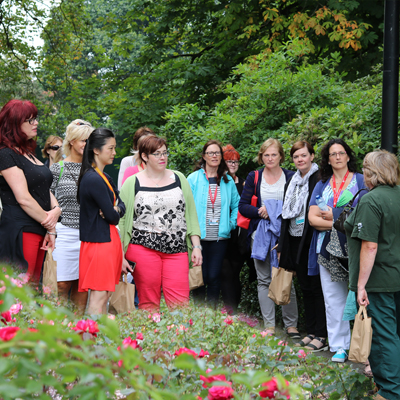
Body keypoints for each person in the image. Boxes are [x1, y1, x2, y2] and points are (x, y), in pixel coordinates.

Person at [119, 135, 202, 311]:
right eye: (157, 154)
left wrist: (196, 246)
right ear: (144, 156)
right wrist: (120, 256)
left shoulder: (179, 178)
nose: (163, 157)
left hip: (177, 250)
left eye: (165, 153)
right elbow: (122, 221)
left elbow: (191, 215)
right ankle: (148, 338)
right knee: (148, 302)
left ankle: (180, 337)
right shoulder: (132, 182)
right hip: (143, 249)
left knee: (180, 304)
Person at [345, 150, 400, 400]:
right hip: (396, 277)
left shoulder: (371, 200)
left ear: (371, 173)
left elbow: (370, 245)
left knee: (383, 339)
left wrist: (361, 285)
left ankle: (389, 392)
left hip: (379, 281)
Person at [308, 138, 367, 362]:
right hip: (326, 248)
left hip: (357, 247)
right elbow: (312, 218)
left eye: (341, 153)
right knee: (333, 299)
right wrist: (339, 220)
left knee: (362, 295)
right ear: (328, 159)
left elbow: (365, 215)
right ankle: (340, 346)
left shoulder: (361, 181)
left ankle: (363, 346)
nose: (338, 157)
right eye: (333, 154)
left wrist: (332, 214)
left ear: (348, 156)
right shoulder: (322, 184)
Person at [239, 138, 298, 336]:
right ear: (261, 157)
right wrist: (260, 212)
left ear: (281, 156)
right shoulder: (254, 176)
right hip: (261, 234)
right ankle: (269, 326)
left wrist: (274, 209)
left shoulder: (291, 176)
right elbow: (243, 206)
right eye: (266, 155)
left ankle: (291, 325)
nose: (270, 158)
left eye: (274, 154)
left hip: (285, 234)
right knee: (264, 280)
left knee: (285, 276)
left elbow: (298, 205)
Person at [0, 99, 61, 283]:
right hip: (21, 230)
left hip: (38, 228)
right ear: (14, 124)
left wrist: (57, 210)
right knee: (21, 291)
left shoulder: (27, 153)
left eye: (35, 119)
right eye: (30, 120)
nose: (36, 124)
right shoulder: (5, 154)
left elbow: (43, 187)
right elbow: (24, 198)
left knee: (34, 290)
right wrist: (49, 224)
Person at [277, 141, 327, 349]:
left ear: (312, 156)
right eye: (296, 157)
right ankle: (312, 331)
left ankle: (322, 335)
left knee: (317, 287)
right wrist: (282, 245)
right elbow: (285, 215)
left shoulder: (320, 178)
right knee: (305, 287)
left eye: (304, 155)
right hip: (294, 238)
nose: (300, 160)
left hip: (312, 238)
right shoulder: (292, 180)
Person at [77, 128, 126, 315]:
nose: (114, 153)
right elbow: (113, 216)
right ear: (96, 150)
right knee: (98, 299)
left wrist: (116, 209)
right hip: (99, 243)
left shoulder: (105, 177)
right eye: (110, 148)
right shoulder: (92, 178)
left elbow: (121, 206)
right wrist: (115, 210)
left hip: (107, 240)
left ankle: (97, 342)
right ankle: (90, 343)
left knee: (103, 297)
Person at [187, 140, 239, 308]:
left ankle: (212, 315)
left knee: (214, 276)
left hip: (219, 238)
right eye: (210, 153)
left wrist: (230, 224)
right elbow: (186, 206)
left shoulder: (227, 180)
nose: (214, 156)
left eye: (217, 153)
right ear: (204, 156)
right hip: (198, 237)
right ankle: (198, 314)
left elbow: (236, 205)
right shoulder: (193, 179)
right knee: (199, 276)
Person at [50, 120, 94, 313]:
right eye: (83, 140)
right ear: (72, 141)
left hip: (88, 234)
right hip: (64, 233)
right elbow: (47, 199)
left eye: (90, 141)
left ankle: (78, 335)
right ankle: (57, 331)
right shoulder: (57, 169)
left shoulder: (94, 170)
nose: (87, 145)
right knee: (61, 285)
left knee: (82, 286)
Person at [220, 144, 253, 313]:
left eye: (236, 162)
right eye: (229, 161)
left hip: (240, 236)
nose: (233, 165)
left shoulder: (245, 184)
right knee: (225, 273)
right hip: (223, 234)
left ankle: (234, 310)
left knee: (235, 274)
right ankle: (229, 310)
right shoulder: (219, 183)